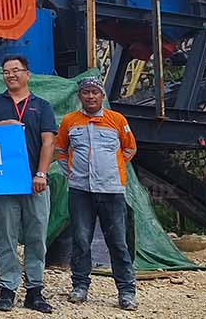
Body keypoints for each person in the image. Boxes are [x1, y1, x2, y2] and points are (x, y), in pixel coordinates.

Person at [0, 54, 57, 313]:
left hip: (34, 182)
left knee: (36, 236)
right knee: (6, 236)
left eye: (15, 70)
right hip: (4, 182)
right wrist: (4, 125)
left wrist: (41, 174)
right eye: (5, 71)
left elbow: (49, 142)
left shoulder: (41, 105)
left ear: (27, 74)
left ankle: (35, 290)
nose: (10, 75)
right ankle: (7, 288)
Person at [56, 77, 138, 311]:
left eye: (95, 92)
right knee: (81, 240)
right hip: (80, 190)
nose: (90, 96)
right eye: (86, 92)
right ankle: (80, 286)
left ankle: (126, 291)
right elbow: (61, 149)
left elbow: (130, 147)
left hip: (112, 190)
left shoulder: (117, 120)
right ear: (79, 96)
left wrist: (114, 167)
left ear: (102, 96)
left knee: (118, 242)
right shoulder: (70, 121)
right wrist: (70, 172)